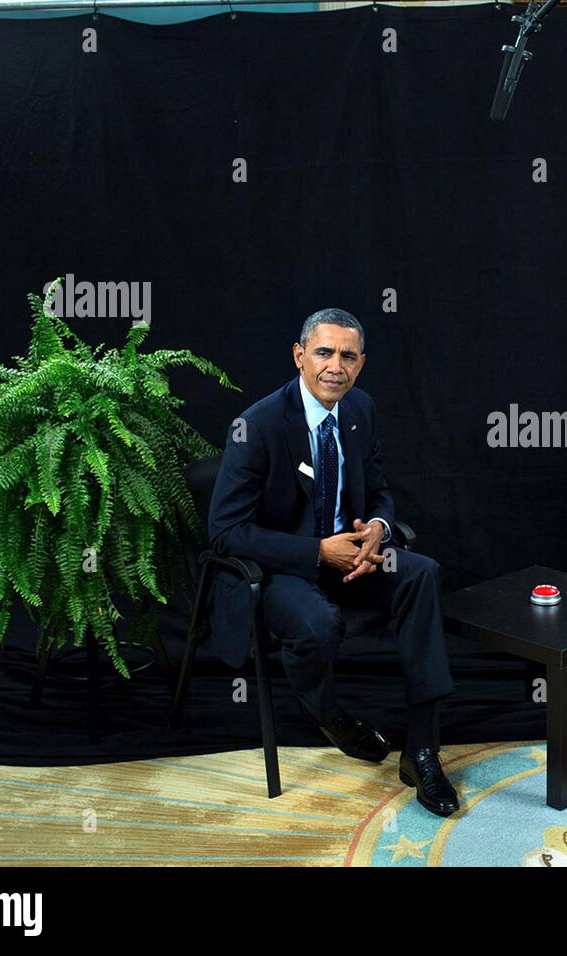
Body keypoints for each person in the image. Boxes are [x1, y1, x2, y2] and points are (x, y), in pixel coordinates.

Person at [206, 308, 458, 816]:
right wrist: (317, 551)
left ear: (360, 364)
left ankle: (422, 749)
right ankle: (329, 715)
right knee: (318, 624)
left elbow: (380, 491)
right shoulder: (256, 425)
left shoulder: (360, 408)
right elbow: (226, 533)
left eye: (347, 356)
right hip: (282, 566)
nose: (334, 366)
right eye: (323, 352)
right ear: (300, 356)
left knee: (423, 574)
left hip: (353, 560)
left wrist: (378, 531)